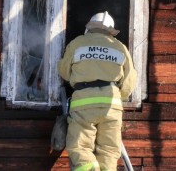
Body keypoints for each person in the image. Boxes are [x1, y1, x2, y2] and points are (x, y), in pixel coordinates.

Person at [58, 11, 137, 171]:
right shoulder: (120, 47)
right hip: (112, 106)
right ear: (111, 31)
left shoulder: (77, 43)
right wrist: (117, 96)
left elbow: (64, 71)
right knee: (109, 151)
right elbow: (129, 81)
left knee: (80, 147)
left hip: (83, 105)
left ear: (89, 28)